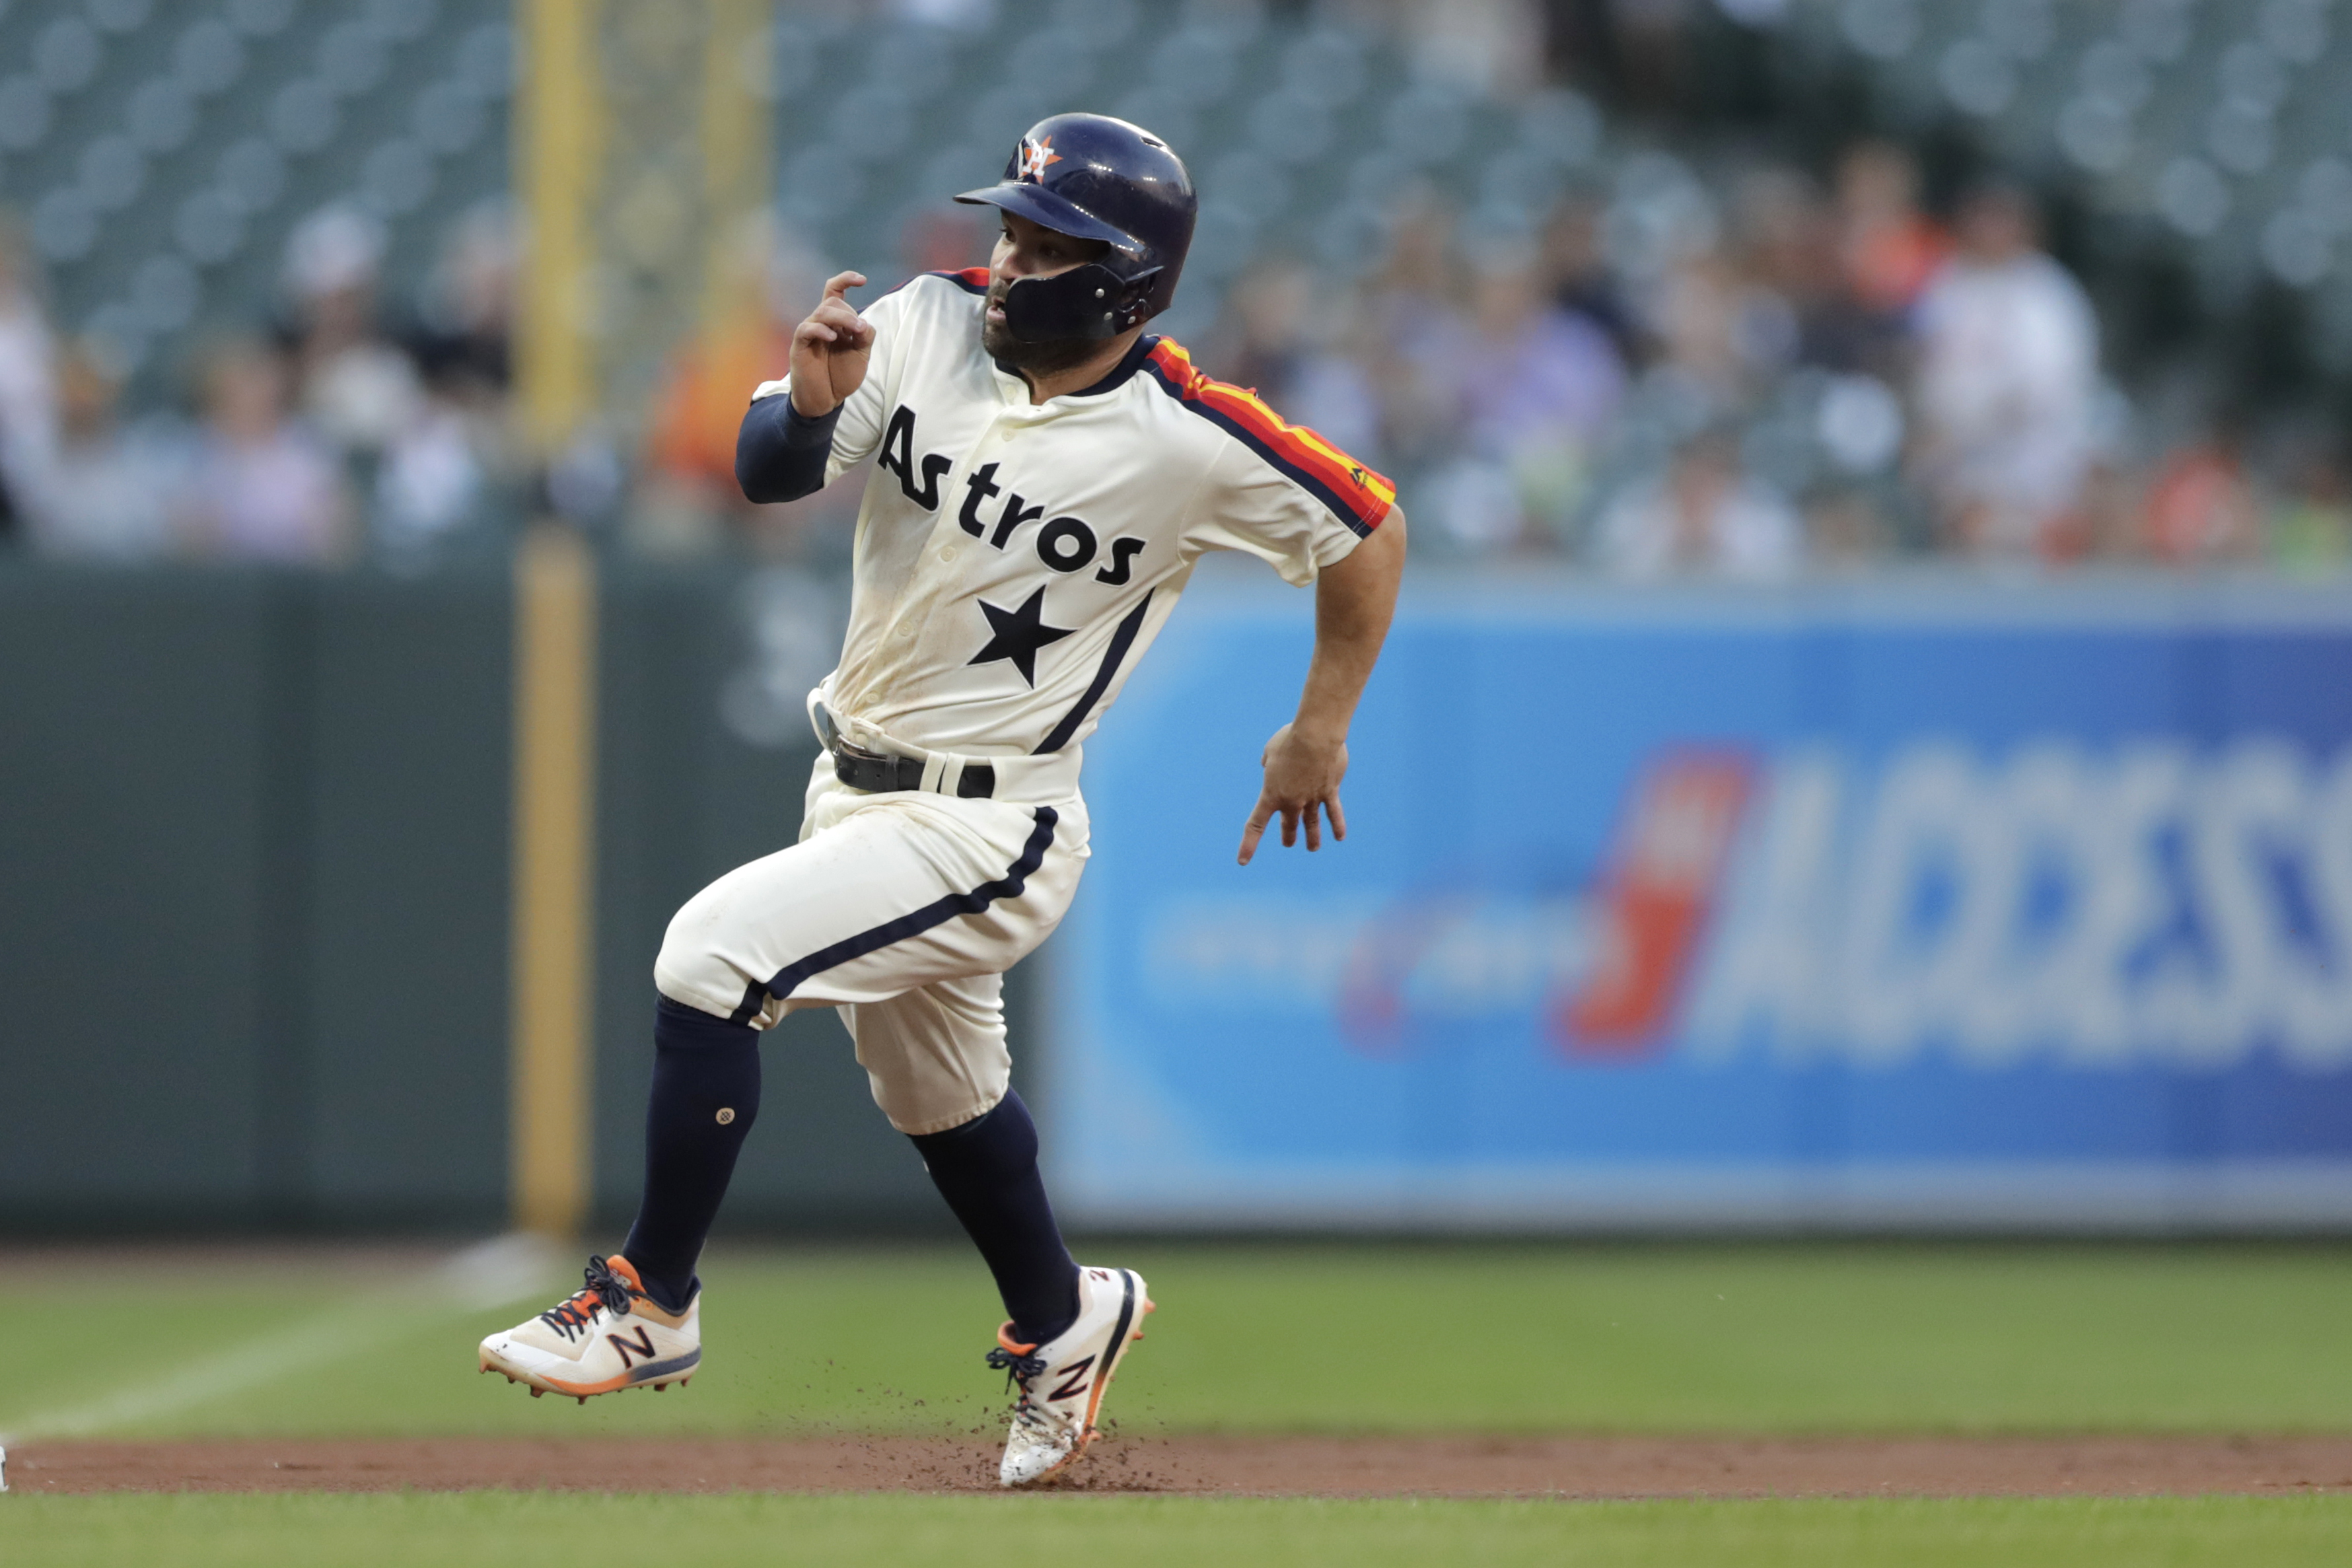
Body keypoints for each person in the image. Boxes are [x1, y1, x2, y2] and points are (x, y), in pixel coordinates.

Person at [479, 114, 1408, 1489]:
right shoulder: (921, 321)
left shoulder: (1192, 435)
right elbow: (768, 474)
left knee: (710, 955)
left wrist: (1317, 725)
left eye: (1048, 244)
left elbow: (1368, 524)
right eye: (1012, 229)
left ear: (1122, 279)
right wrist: (802, 402)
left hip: (996, 819)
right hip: (852, 783)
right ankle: (1062, 1317)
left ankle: (647, 1299)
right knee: (935, 1091)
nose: (1011, 257)